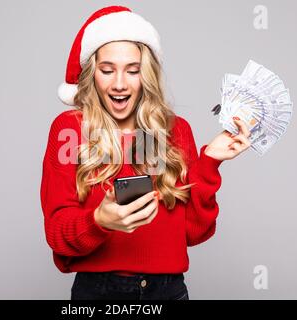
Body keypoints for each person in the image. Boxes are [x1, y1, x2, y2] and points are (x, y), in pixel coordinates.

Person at [40, 5, 251, 300]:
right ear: (92, 73)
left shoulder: (174, 131)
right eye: (107, 69)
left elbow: (193, 232)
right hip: (98, 294)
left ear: (146, 73)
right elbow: (57, 234)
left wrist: (210, 162)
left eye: (133, 70)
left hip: (167, 292)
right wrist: (99, 221)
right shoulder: (71, 130)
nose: (119, 84)